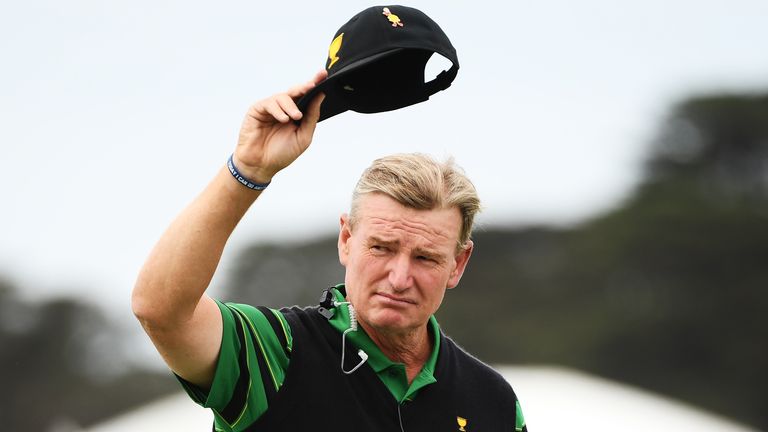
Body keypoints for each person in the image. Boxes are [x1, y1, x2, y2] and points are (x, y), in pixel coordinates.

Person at [132, 71, 527, 431]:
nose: (400, 277)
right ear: (346, 240)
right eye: (382, 248)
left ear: (458, 263)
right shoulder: (277, 352)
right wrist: (248, 169)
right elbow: (159, 309)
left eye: (425, 258)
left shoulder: (493, 402)